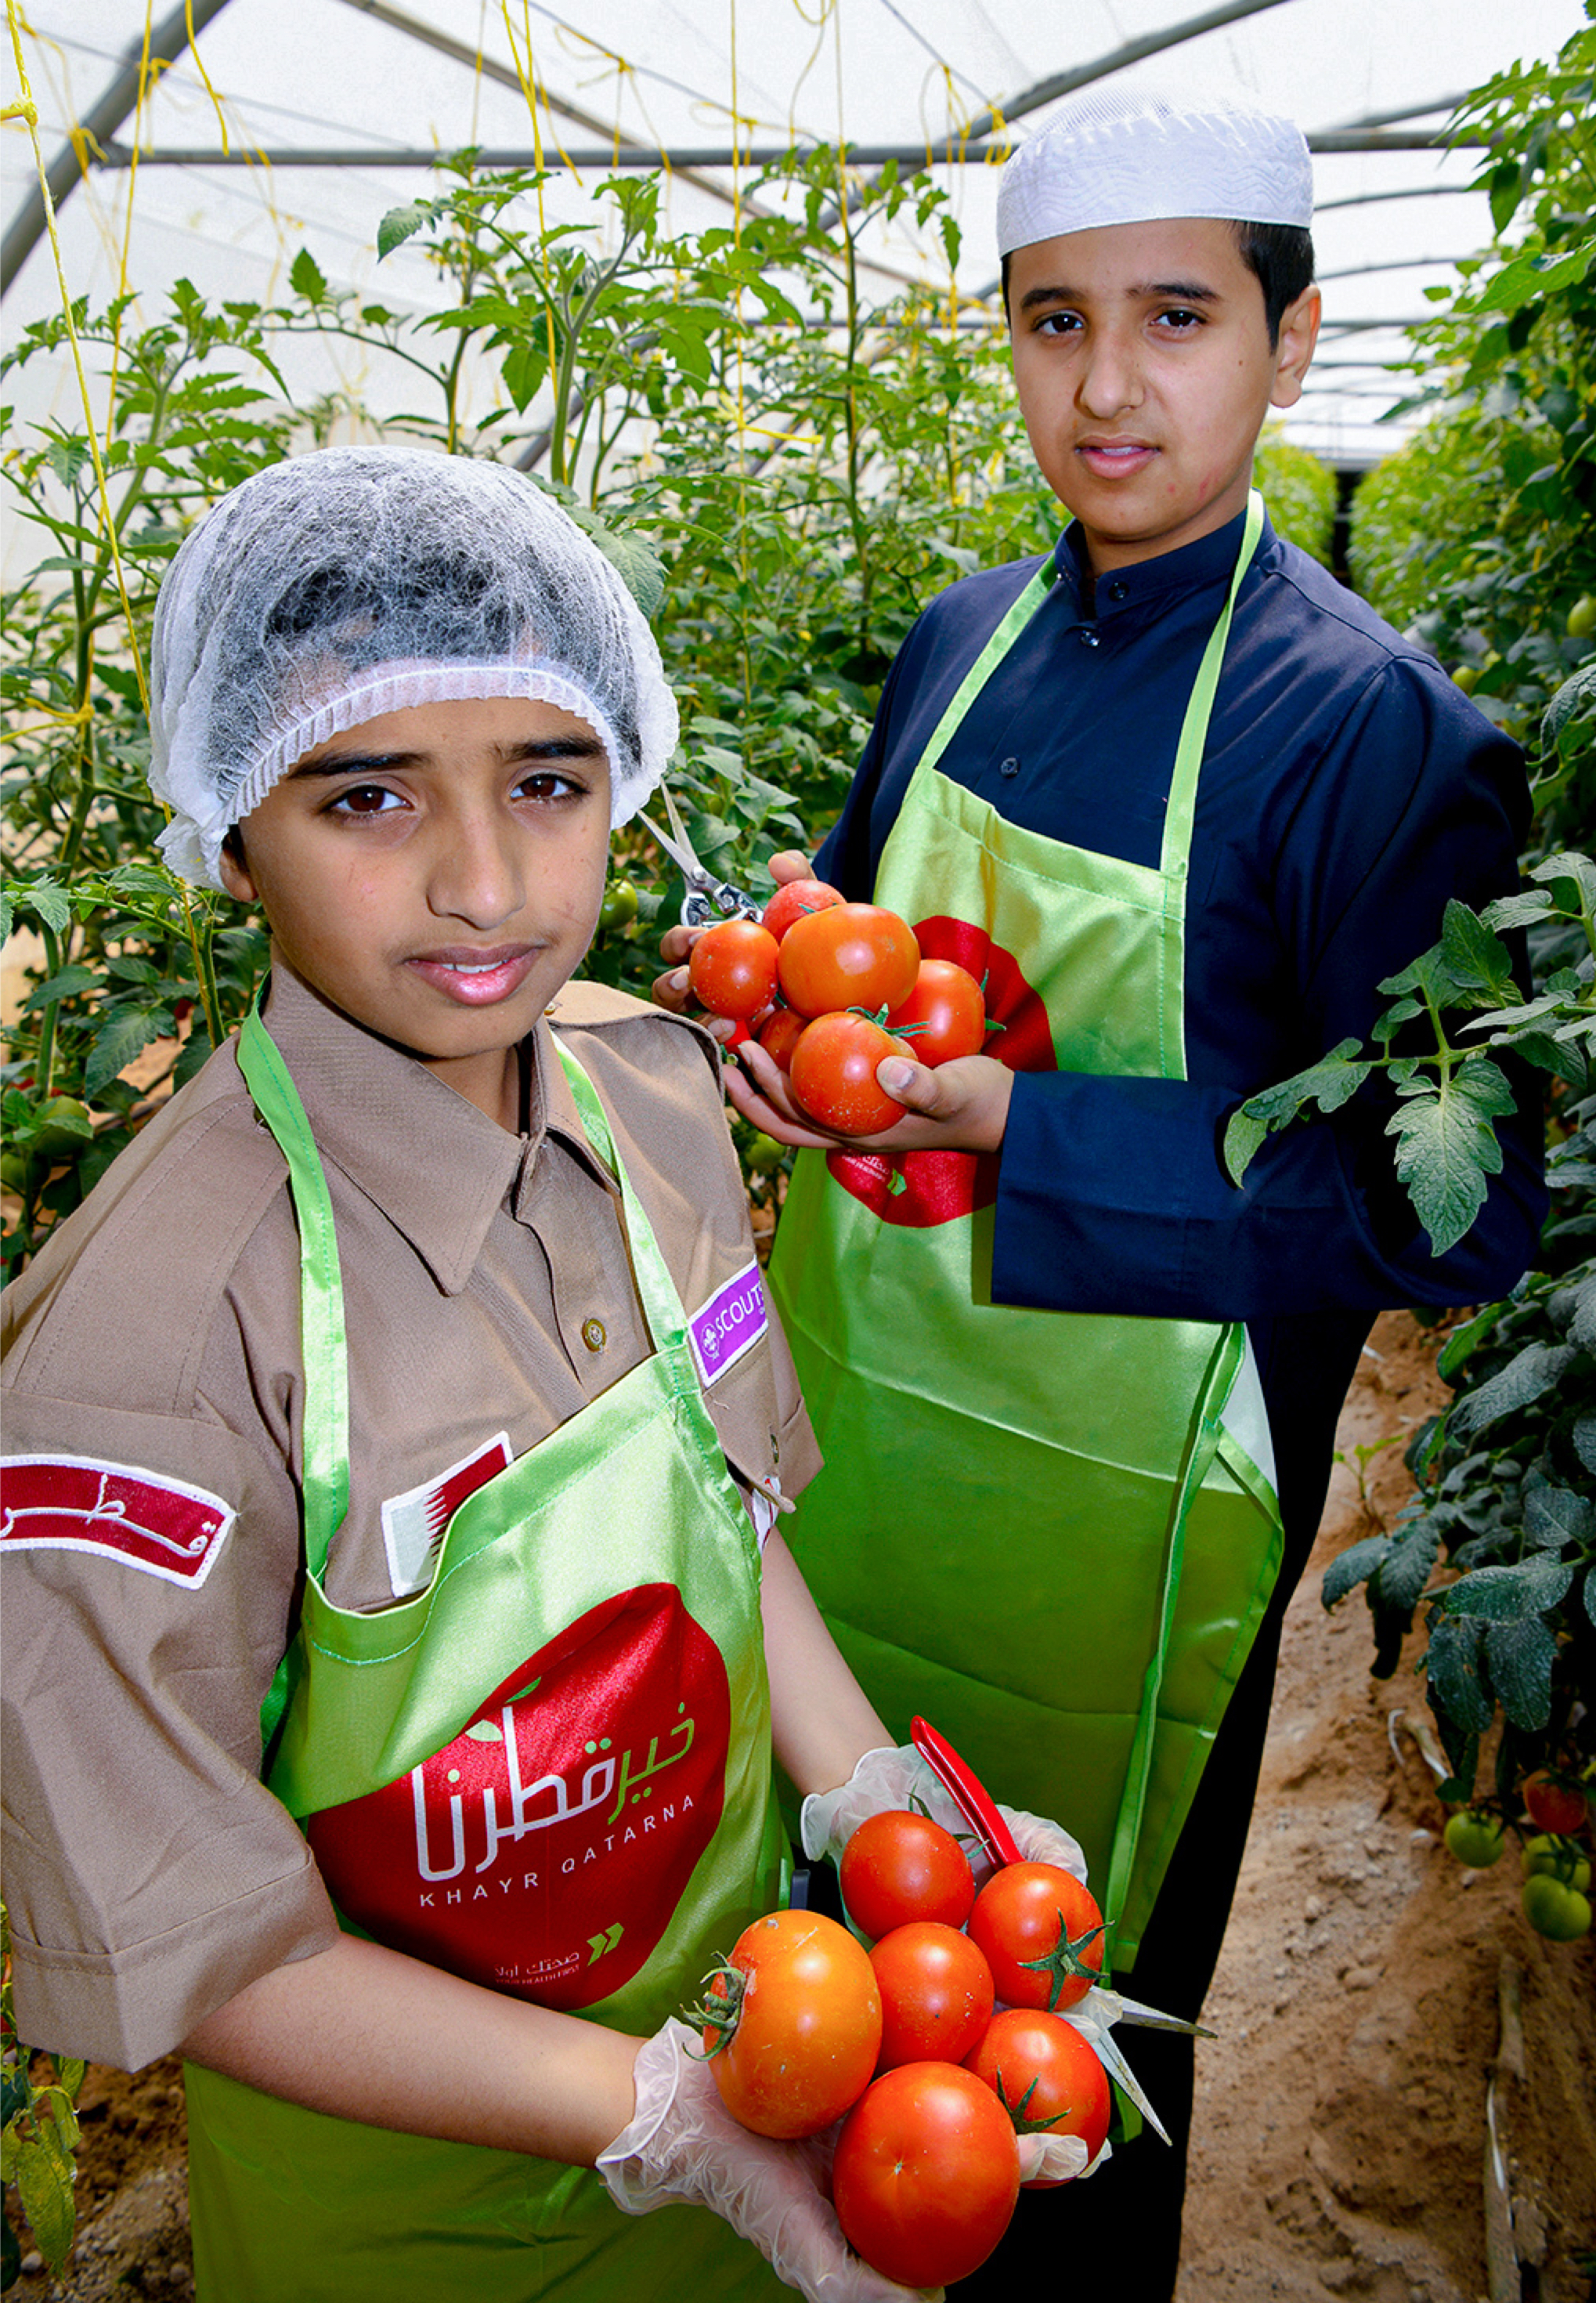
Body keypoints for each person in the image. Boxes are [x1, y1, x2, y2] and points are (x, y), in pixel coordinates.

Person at [0, 444, 1081, 2303]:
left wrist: (872, 1802)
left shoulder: (652, 1097)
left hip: (775, 2052)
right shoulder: (145, 1361)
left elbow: (729, 1542)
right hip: (406, 2216)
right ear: (231, 821)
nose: (485, 883)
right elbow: (210, 1941)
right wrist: (660, 2114)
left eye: (549, 779)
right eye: (365, 795)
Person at [659, 85, 1545, 2293]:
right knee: (814, 1930)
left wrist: (1012, 1133)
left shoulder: (1377, 734)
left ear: (1291, 337)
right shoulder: (957, 635)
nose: (1107, 382)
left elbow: (1448, 1204)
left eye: (1173, 316)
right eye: (1052, 322)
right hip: (865, 1432)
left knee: (1049, 2026)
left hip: (1142, 1499)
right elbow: (871, 953)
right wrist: (794, 1024)